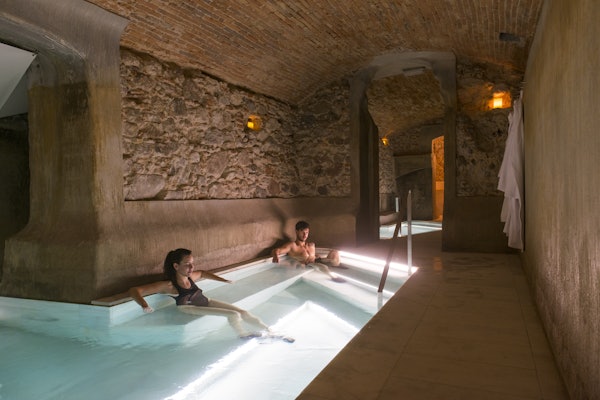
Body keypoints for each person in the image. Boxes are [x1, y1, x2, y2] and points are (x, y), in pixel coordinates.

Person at [129, 248, 272, 339]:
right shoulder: (168, 285)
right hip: (188, 307)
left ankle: (268, 330)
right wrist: (144, 305)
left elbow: (203, 273)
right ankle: (243, 335)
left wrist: (223, 280)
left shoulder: (190, 276)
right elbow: (134, 290)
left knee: (243, 312)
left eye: (192, 263)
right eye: (187, 264)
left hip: (205, 301)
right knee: (233, 314)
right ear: (176, 266)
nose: (192, 267)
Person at [271, 220, 345, 282]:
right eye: (302, 232)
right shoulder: (293, 245)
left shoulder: (311, 245)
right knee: (322, 266)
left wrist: (316, 256)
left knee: (335, 252)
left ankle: (336, 265)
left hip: (317, 261)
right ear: (296, 231)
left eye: (307, 232)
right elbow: (276, 250)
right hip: (307, 265)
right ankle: (333, 277)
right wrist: (275, 256)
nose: (305, 235)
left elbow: (313, 256)